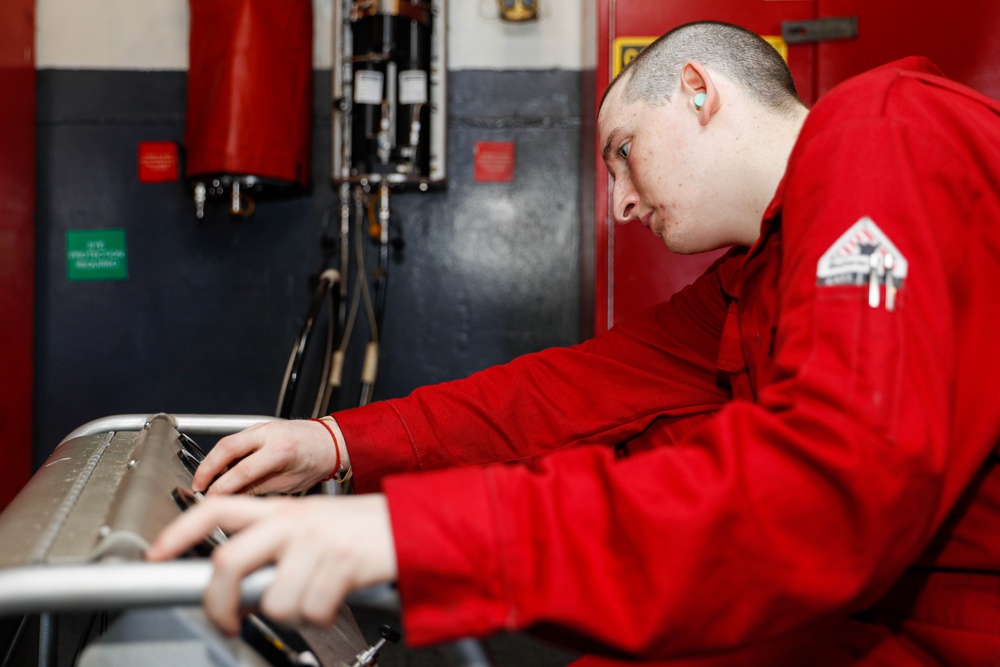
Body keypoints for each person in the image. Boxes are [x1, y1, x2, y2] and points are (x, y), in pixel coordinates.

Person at [148, 20, 1000, 665]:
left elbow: (831, 488)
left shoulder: (880, 134)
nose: (622, 202)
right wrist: (334, 441)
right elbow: (562, 391)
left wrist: (422, 536)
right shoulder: (756, 273)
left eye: (624, 154)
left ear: (699, 92)